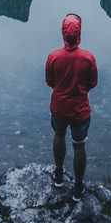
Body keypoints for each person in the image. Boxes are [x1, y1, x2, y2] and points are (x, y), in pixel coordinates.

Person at [45, 12, 97, 199]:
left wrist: (63, 89)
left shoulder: (54, 57)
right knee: (79, 146)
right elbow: (92, 83)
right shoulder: (88, 58)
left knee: (59, 134)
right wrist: (79, 90)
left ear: (63, 33)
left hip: (59, 107)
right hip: (80, 110)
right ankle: (78, 188)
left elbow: (50, 82)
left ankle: (58, 176)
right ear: (79, 33)